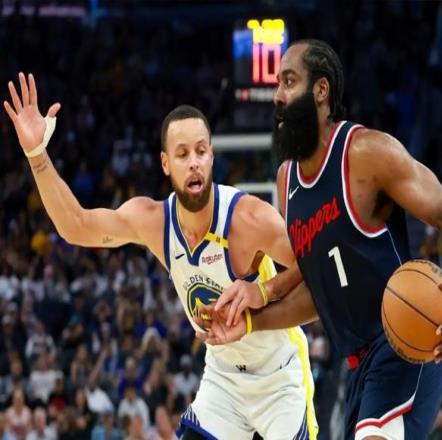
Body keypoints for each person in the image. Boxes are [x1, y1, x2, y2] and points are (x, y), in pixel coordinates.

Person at [3, 73, 317, 440]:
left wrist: (263, 291)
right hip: (224, 380)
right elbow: (76, 226)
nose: (194, 162)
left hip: (278, 377)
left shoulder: (248, 218)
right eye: (183, 154)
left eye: (201, 151)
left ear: (212, 157)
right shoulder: (153, 222)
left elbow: (315, 266)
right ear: (166, 163)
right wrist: (37, 156)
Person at [196, 39, 442, 440]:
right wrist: (251, 318)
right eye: (277, 84)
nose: (277, 96)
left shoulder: (366, 153)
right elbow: (318, 292)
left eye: (289, 81)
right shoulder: (287, 181)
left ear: (321, 90)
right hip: (358, 368)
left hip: (405, 344)